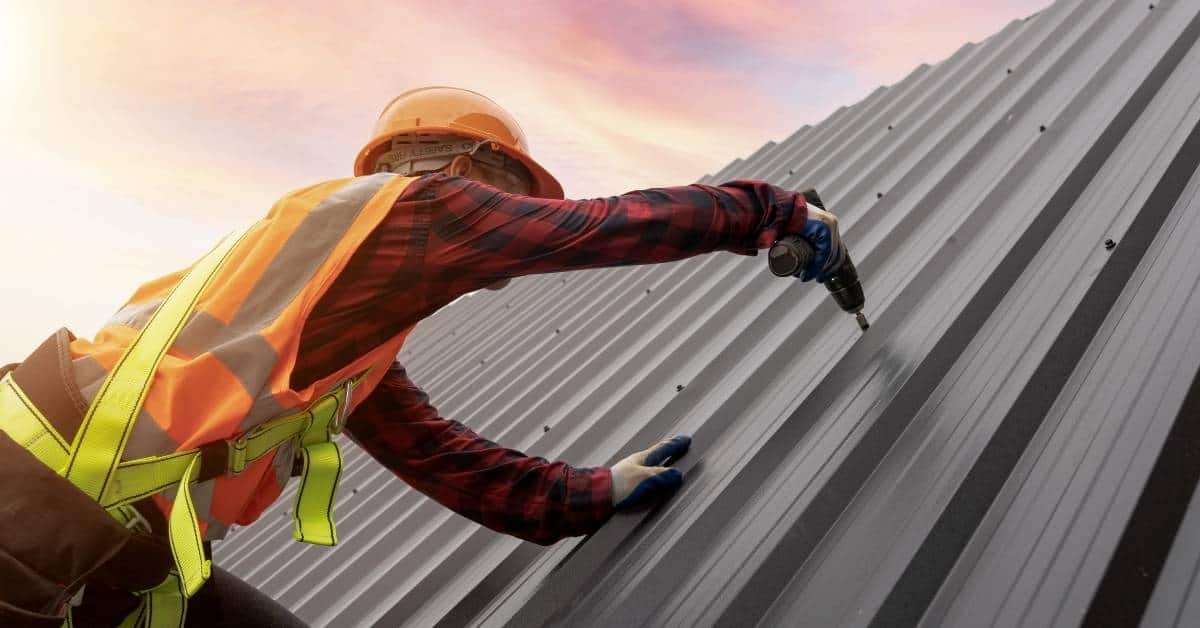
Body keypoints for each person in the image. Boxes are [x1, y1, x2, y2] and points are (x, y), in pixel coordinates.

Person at [0, 86, 845, 627]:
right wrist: (772, 212)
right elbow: (596, 228)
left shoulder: (336, 314)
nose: (507, 222)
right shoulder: (414, 208)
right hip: (32, 511)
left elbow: (440, 458)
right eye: (509, 196)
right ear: (462, 166)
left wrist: (590, 493)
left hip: (105, 541)